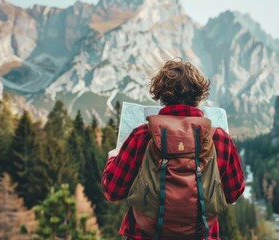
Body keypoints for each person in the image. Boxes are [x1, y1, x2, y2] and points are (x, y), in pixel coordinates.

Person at [102, 58, 245, 240]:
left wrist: (112, 158)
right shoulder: (219, 139)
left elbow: (112, 191)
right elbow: (233, 194)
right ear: (199, 96)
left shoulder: (141, 136)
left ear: (162, 96)